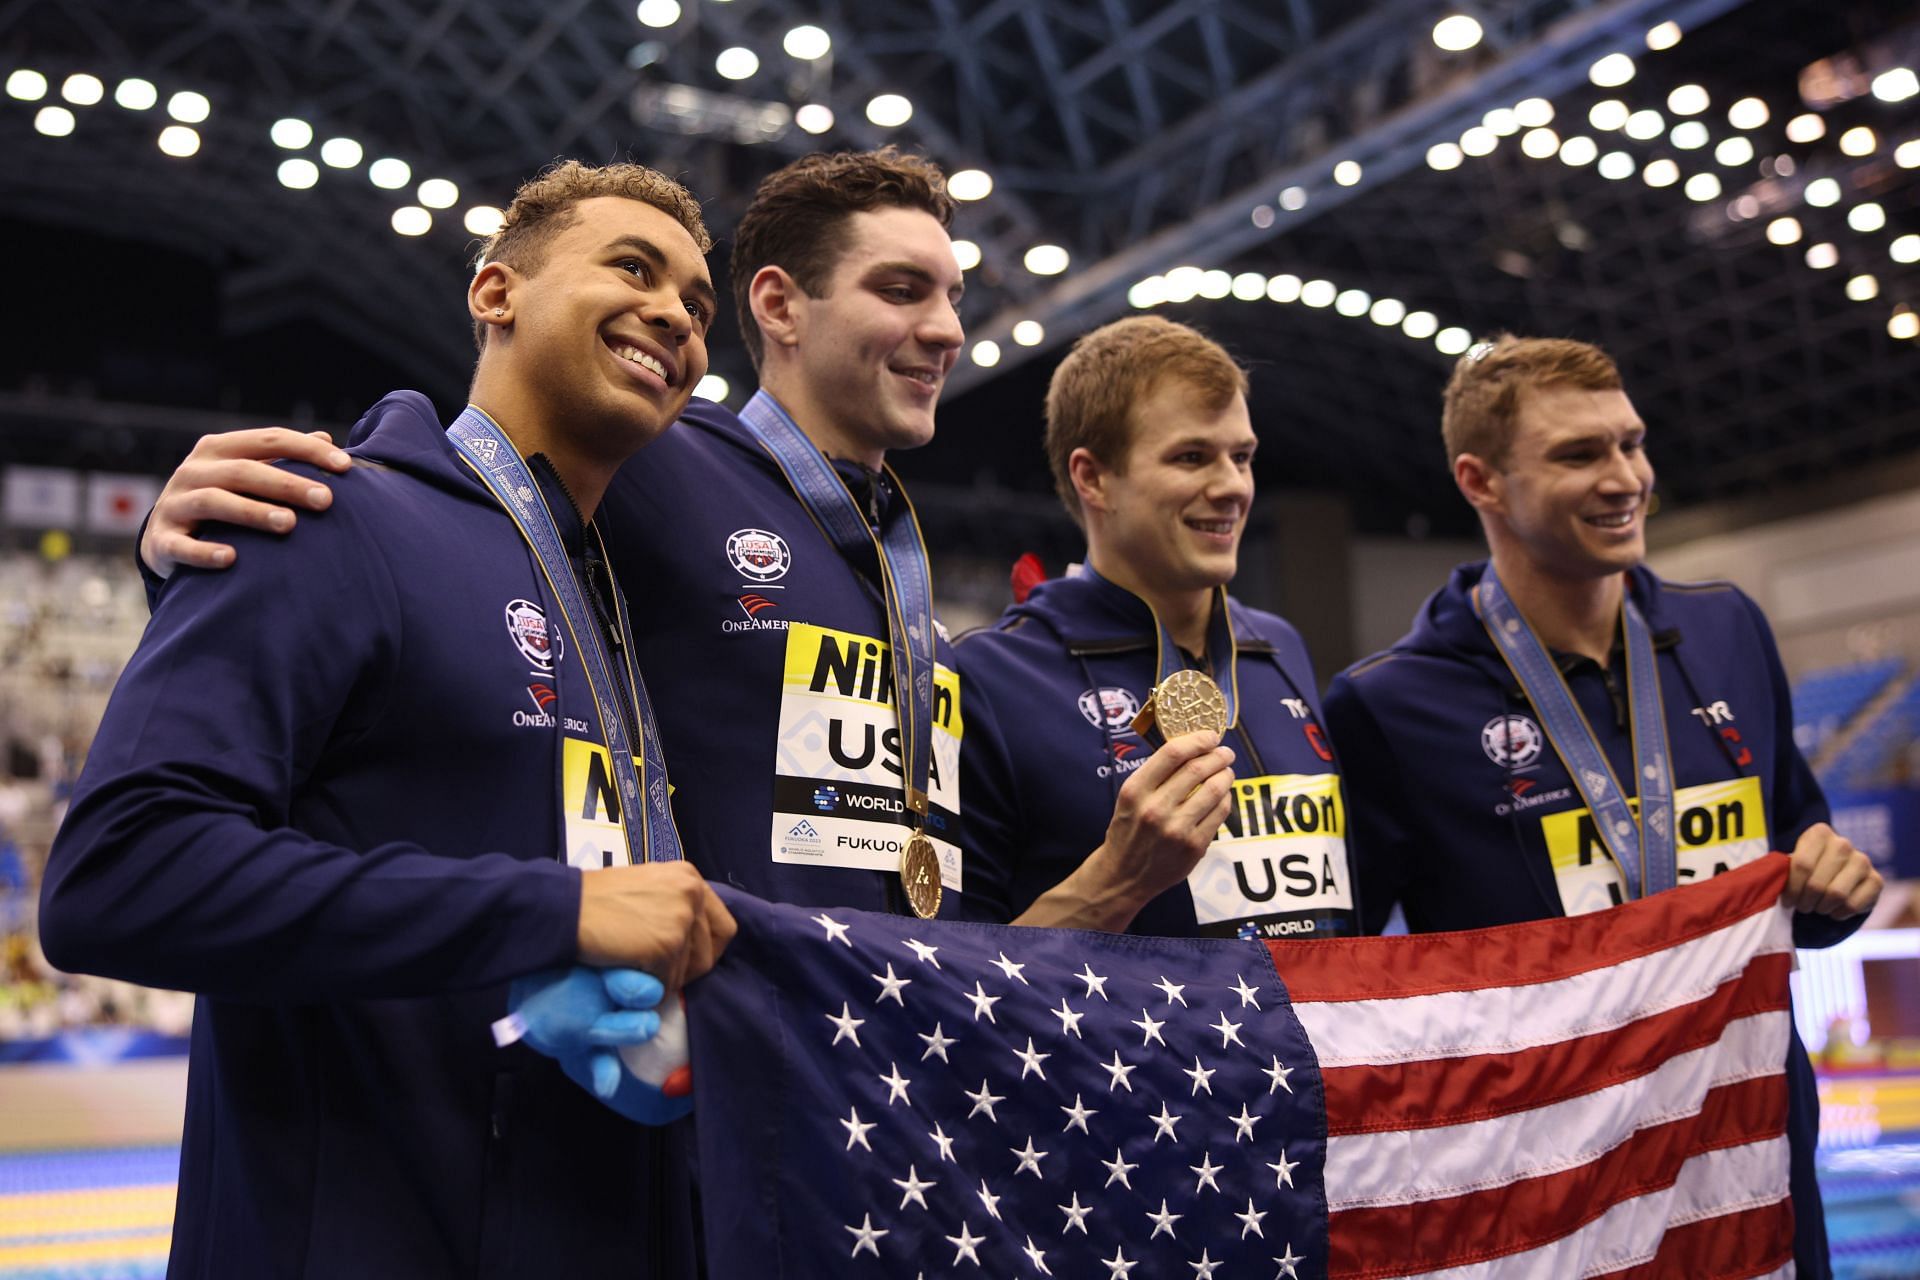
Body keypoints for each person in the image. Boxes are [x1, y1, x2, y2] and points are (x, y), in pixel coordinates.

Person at [40, 160, 737, 1278]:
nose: (676, 314)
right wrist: (552, 912)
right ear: (495, 293)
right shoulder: (321, 511)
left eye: (701, 306)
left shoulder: (624, 609)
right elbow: (116, 874)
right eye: (633, 267)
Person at [138, 147, 1001, 924]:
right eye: (901, 289)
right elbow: (463, 489)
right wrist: (185, 547)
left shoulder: (902, 564)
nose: (950, 330)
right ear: (777, 305)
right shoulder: (660, 464)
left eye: (695, 307)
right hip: (717, 1029)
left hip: (841, 1050)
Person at [1320, 334, 1882, 1279]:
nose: (1626, 477)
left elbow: (1808, 861)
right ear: (1480, 481)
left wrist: (1840, 887)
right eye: (1580, 454)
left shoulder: (1726, 628)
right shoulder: (1390, 706)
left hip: (1748, 1149)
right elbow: (1354, 989)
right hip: (1548, 1188)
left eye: (1632, 443)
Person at [958, 316, 1357, 938]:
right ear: (1093, 478)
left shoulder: (1278, 647)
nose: (1231, 487)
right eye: (1192, 457)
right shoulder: (989, 677)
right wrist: (1120, 879)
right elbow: (956, 975)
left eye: (1242, 457)